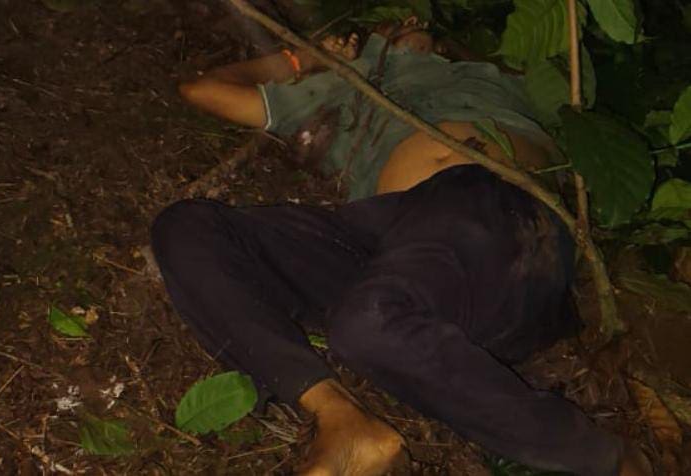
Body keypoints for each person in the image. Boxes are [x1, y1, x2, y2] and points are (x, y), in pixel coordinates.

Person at [151, 18, 650, 476]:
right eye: (395, 20)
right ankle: (339, 416)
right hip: (389, 242)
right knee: (187, 228)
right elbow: (202, 89)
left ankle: (603, 458)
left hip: (501, 216)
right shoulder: (342, 90)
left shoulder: (499, 80)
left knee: (369, 320)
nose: (411, 21)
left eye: (421, 19)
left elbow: (576, 105)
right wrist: (305, 59)